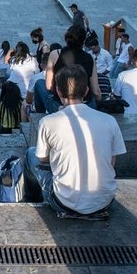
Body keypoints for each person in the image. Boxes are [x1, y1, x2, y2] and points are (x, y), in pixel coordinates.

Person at [23, 65, 125, 218]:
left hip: (64, 202)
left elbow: (43, 159)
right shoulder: (109, 121)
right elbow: (112, 162)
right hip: (105, 201)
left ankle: (32, 200)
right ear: (86, 91)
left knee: (30, 154)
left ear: (58, 91)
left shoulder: (48, 122)